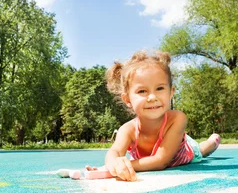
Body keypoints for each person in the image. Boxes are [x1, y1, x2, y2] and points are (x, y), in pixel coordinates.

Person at [86, 50, 220, 181]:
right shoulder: (127, 130)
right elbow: (114, 151)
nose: (152, 97)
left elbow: (160, 161)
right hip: (159, 149)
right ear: (127, 99)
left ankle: (212, 142)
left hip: (187, 151)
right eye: (142, 91)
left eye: (160, 88)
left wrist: (126, 166)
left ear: (171, 92)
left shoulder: (178, 118)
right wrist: (112, 165)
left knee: (201, 150)